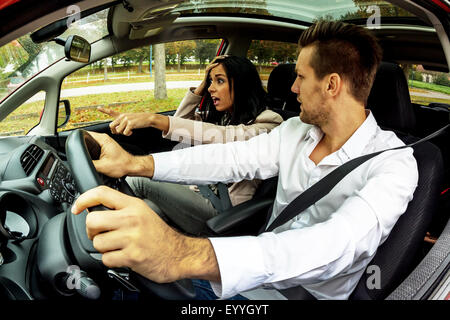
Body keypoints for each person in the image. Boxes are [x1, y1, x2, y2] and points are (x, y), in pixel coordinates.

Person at [71, 21, 419, 300]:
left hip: (301, 294)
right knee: (128, 279)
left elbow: (336, 244)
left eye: (300, 76)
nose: (292, 88)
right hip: (253, 277)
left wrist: (183, 255)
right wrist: (136, 164)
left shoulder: (395, 164)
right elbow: (230, 158)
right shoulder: (297, 131)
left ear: (331, 85)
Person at [97, 55, 283, 235]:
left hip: (223, 211)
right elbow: (181, 124)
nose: (211, 88)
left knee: (138, 181)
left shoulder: (270, 122)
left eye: (219, 81)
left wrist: (154, 119)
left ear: (242, 84)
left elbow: (225, 137)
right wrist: (201, 87)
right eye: (210, 81)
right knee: (149, 209)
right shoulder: (225, 117)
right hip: (199, 191)